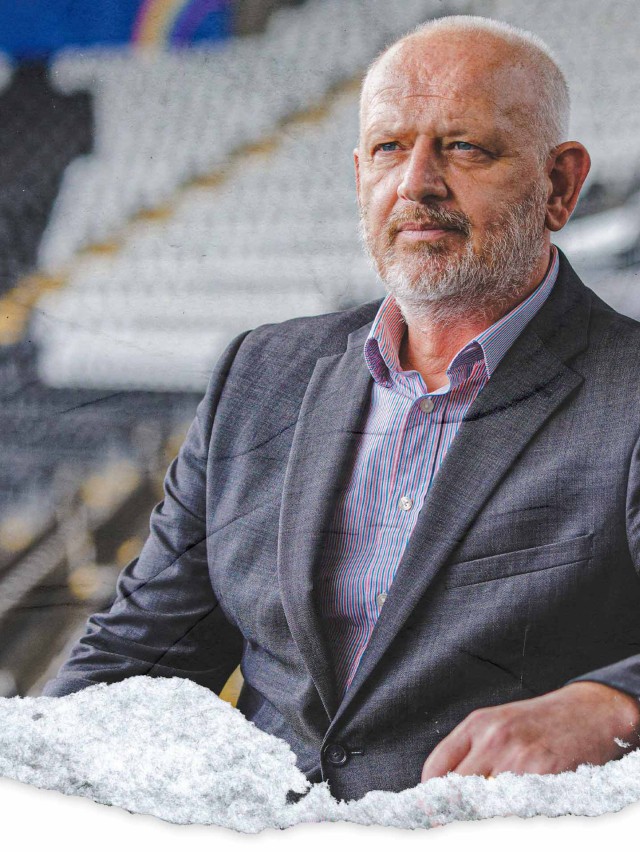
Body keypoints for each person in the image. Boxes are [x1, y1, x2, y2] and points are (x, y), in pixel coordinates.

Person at [43, 15, 640, 802]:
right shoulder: (259, 374)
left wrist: (614, 705)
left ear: (560, 185)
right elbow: (138, 655)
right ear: (360, 173)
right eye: (390, 148)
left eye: (464, 147)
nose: (417, 182)